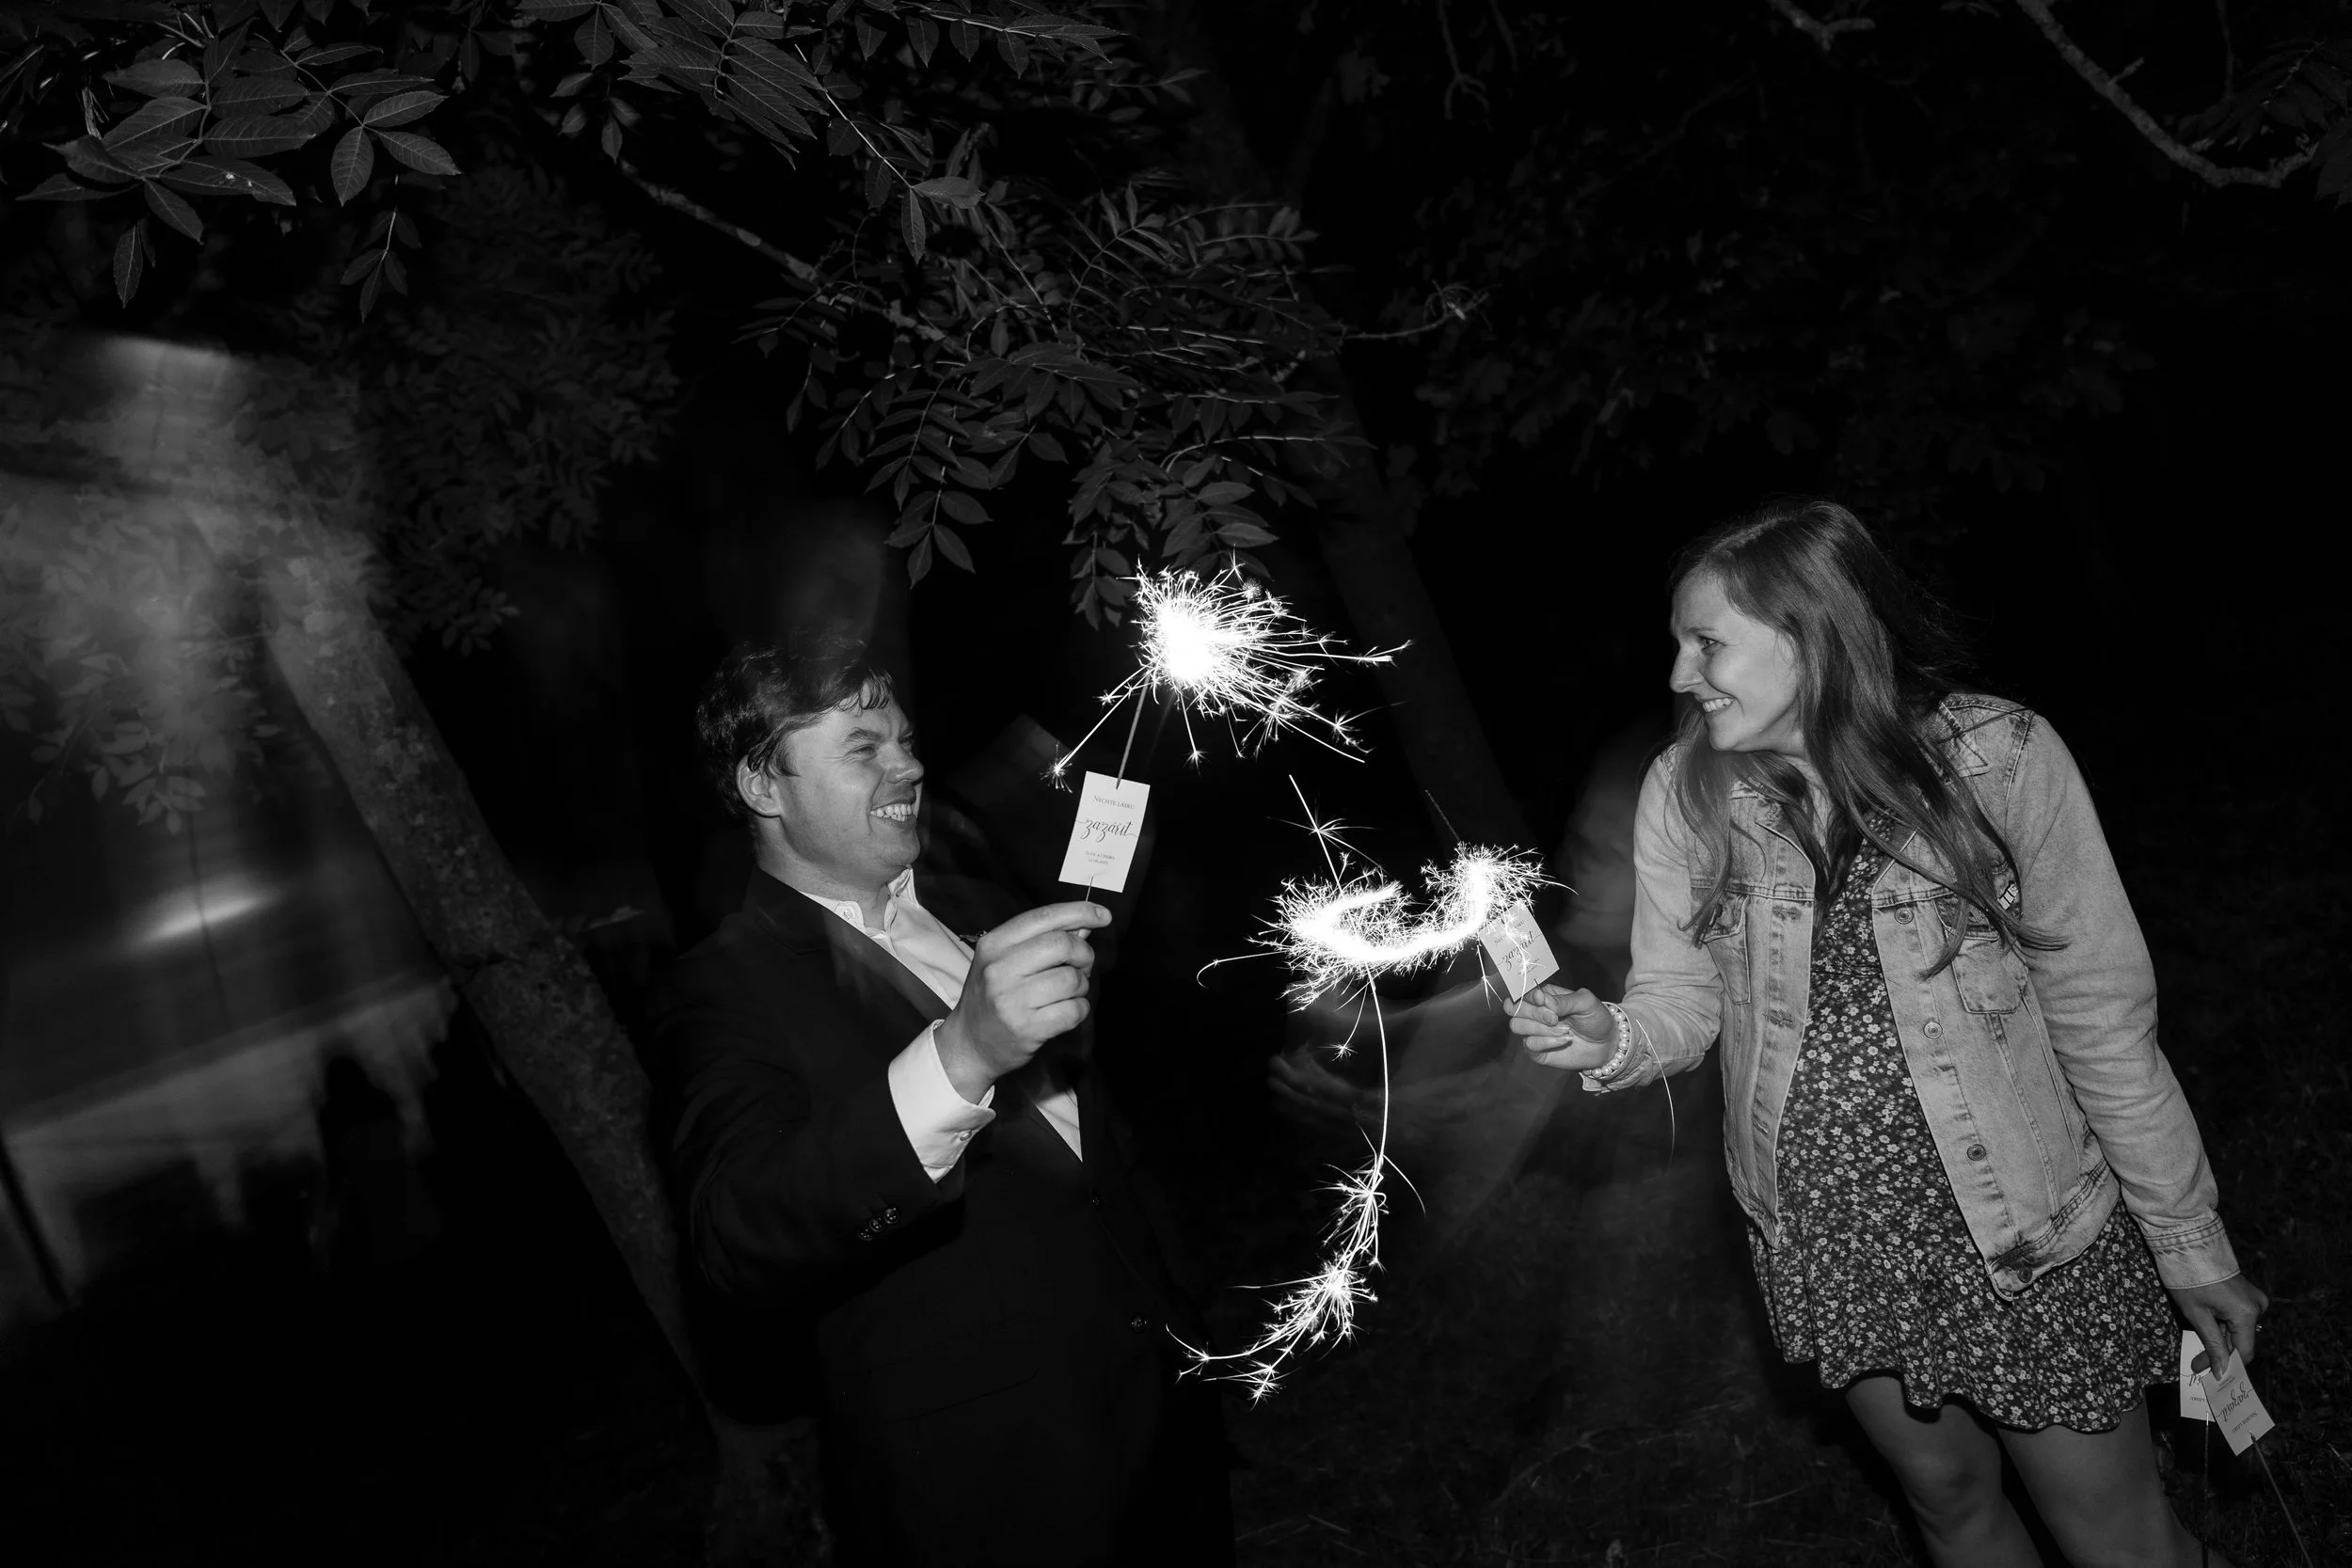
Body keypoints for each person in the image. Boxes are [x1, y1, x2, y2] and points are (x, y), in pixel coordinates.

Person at [1508, 500, 2265, 1568]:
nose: (1680, 674)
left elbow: (2103, 1021)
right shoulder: (1686, 791)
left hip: (2024, 1234)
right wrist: (1613, 1038)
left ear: (1811, 634)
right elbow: (1680, 994)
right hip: (1835, 1240)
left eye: (1707, 642)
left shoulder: (1999, 759)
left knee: (2118, 1543)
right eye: (1680, 644)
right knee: (1948, 1502)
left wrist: (2188, 1242)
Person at [649, 634, 1231, 1568]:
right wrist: (962, 1055)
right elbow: (737, 1234)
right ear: (763, 785)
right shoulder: (722, 986)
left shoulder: (975, 900)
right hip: (990, 1486)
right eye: (862, 747)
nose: (910, 765)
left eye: (906, 740)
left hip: (1163, 1414)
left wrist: (1119, 815)